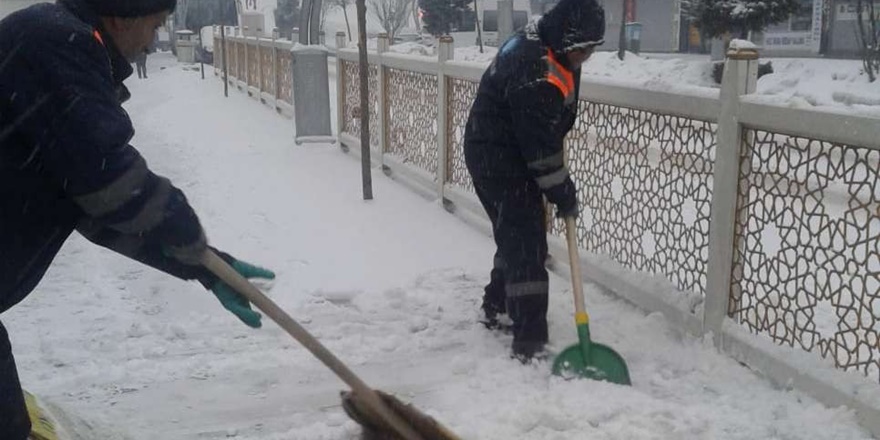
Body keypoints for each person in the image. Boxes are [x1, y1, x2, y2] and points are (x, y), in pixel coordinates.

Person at [0, 0, 273, 437]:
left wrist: (202, 265)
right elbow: (109, 181)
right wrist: (185, 229)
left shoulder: (57, 43)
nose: (152, 40)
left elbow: (97, 211)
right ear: (123, 15)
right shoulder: (54, 43)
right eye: (157, 23)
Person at [464, 0, 605, 361]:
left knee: (516, 235)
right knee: (526, 244)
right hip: (500, 158)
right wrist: (562, 192)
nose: (585, 57)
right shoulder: (535, 68)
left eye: (590, 50)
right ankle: (529, 342)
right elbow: (540, 148)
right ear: (566, 38)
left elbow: (544, 131)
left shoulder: (550, 45)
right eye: (582, 50)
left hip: (503, 149)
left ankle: (497, 307)